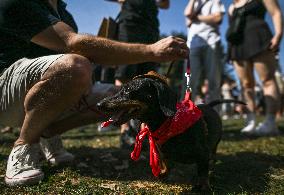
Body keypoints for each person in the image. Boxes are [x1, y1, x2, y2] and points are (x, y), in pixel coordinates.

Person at [0, 0, 188, 186]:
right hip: (6, 94)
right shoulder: (16, 2)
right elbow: (72, 43)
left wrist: (83, 84)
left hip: (37, 92)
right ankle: (24, 146)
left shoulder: (64, 12)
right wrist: (151, 50)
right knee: (75, 67)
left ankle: (48, 132)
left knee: (118, 96)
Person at [107, 0, 170, 149]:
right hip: (129, 21)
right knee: (125, 74)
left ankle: (144, 130)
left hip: (150, 25)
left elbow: (165, 4)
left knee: (147, 77)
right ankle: (125, 129)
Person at [227, 0, 283, 136]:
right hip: (238, 44)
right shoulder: (231, 7)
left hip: (259, 36)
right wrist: (230, 50)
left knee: (267, 80)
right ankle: (250, 121)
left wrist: (278, 34)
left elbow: (275, 12)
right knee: (246, 84)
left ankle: (270, 122)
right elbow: (231, 27)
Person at [184, 0, 225, 107]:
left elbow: (218, 18)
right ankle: (185, 115)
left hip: (211, 42)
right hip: (192, 46)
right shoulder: (193, 4)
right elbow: (187, 15)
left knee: (213, 82)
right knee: (188, 82)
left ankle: (215, 117)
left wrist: (197, 18)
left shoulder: (214, 1)